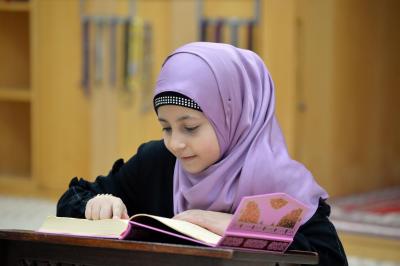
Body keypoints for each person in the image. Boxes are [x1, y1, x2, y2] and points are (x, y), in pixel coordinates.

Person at [57, 42, 348, 265]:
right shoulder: (159, 162)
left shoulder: (279, 184)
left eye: (191, 127)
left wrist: (241, 229)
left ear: (236, 117)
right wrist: (96, 204)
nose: (176, 143)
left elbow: (329, 257)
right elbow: (72, 200)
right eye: (166, 128)